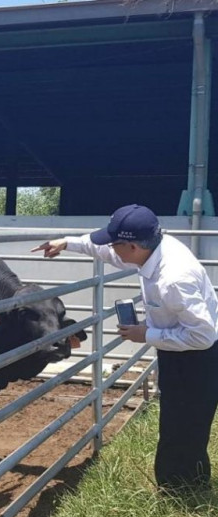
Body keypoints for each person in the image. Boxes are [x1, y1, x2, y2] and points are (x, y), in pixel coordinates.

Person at [33, 203, 218, 492]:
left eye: (115, 243)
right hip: (180, 351)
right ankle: (183, 485)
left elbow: (203, 336)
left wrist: (146, 334)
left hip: (196, 357)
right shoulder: (153, 247)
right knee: (177, 422)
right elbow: (107, 251)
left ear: (131, 245)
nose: (111, 250)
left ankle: (182, 492)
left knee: (184, 426)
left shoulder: (174, 279)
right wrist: (67, 243)